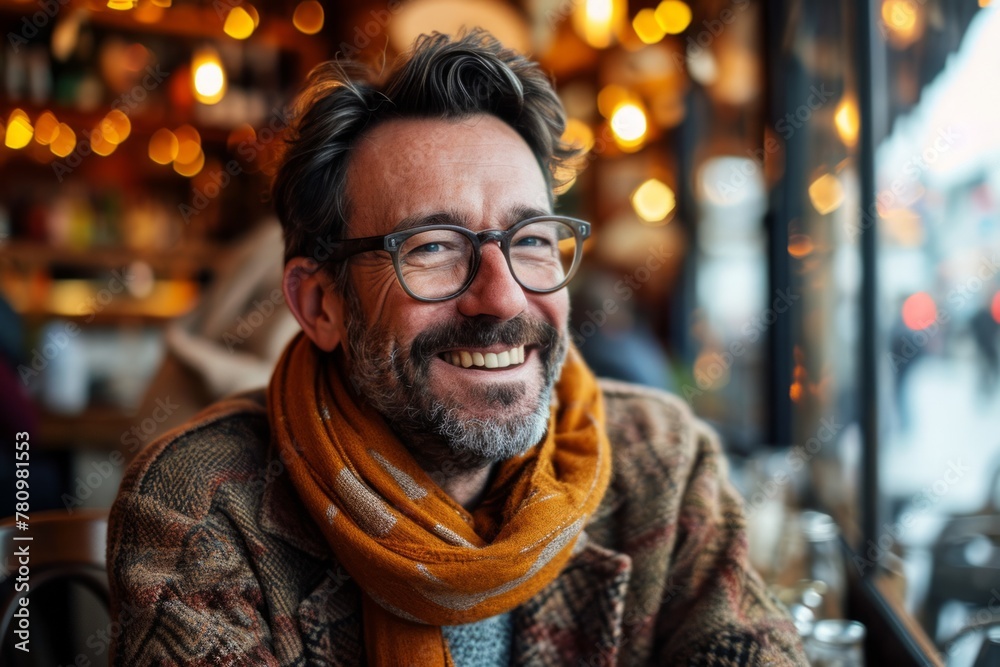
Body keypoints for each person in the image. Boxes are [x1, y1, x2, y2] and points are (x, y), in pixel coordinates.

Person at [108, 30, 807, 666]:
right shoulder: (203, 504)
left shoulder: (664, 463)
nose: (502, 298)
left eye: (531, 240)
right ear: (321, 305)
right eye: (435, 247)